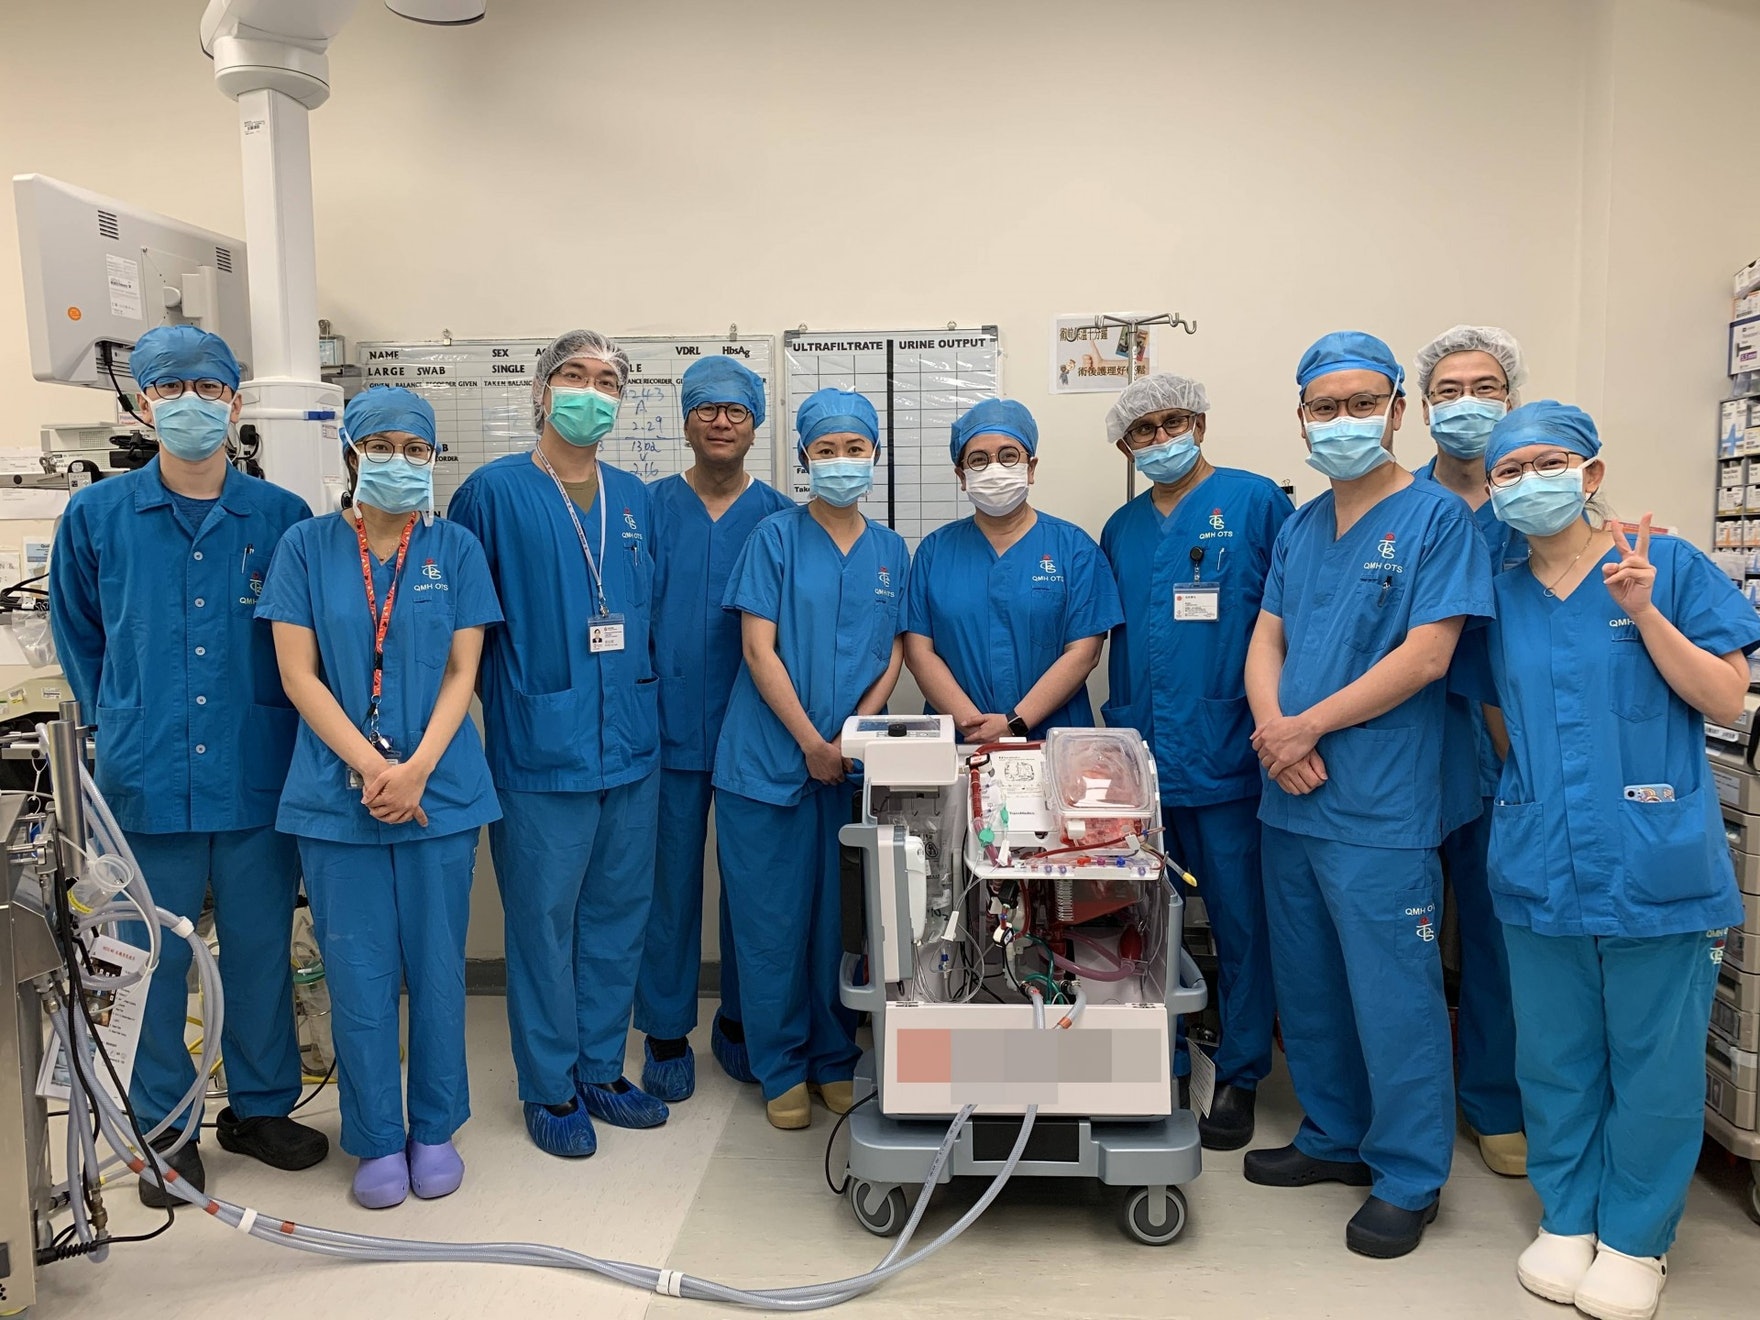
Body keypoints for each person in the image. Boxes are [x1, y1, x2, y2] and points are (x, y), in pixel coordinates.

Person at [1471, 403, 1758, 1320]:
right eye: (1508, 472)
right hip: (1539, 854)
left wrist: (1644, 613)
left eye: (1548, 463)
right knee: (1555, 1054)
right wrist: (1534, 794)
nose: (1528, 483)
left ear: (1591, 474)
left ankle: (1637, 1237)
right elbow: (1499, 710)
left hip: (1654, 857)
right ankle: (1567, 1217)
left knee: (1654, 1063)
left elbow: (1727, 695)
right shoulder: (1499, 592)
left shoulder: (1664, 565)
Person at [49, 325, 326, 1207]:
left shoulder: (281, 517)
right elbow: (78, 634)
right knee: (151, 960)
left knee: (258, 950)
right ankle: (165, 1128)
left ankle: (262, 1108)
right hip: (146, 775)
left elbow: (308, 641)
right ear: (143, 404)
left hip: (255, 769)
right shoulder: (97, 516)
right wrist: (118, 720)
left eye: (209, 389)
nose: (191, 404)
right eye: (170, 389)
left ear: (235, 402)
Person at [1241, 331, 1492, 1259]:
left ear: (1396, 411)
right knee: (1309, 982)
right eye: (1324, 407)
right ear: (1301, 417)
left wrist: (1306, 728)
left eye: (1360, 404)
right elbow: (1266, 639)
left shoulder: (1438, 520)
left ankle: (1409, 1173)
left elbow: (1427, 657)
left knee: (1393, 994)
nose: (1341, 421)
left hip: (1379, 799)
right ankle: (1333, 1134)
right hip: (1291, 790)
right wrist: (1276, 730)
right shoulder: (1302, 524)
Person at [256, 387, 501, 1209]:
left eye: (416, 448)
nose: (401, 461)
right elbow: (298, 675)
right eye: (383, 445)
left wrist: (419, 767)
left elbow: (463, 671)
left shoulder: (455, 548)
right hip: (338, 799)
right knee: (357, 976)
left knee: (437, 970)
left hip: (441, 791)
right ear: (352, 454)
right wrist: (371, 767)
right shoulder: (305, 546)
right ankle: (375, 1137)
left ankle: (435, 1127)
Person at [448, 330, 664, 1159]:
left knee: (618, 915)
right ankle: (549, 1085)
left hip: (631, 743)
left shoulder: (633, 498)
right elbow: (465, 628)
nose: (590, 391)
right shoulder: (492, 494)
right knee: (542, 924)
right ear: (540, 391)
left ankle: (602, 1069)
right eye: (574, 375)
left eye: (607, 380)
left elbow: (643, 610)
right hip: (540, 748)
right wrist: (509, 715)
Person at [1099, 373, 1293, 1151]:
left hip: (1228, 752)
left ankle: (1240, 1070)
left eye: (1172, 422)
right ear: (1125, 447)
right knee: (1141, 922)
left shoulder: (1255, 502)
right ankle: (1160, 1057)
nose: (1159, 440)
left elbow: (1291, 620)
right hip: (1143, 758)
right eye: (1142, 431)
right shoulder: (1120, 528)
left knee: (1242, 921)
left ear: (1201, 424)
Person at [713, 388, 908, 1130]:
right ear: (803, 460)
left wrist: (853, 737)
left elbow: (893, 651)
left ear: (875, 456)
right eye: (826, 450)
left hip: (848, 768)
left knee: (840, 925)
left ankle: (833, 1058)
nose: (841, 461)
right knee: (771, 926)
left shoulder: (891, 551)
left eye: (854, 449)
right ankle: (781, 1064)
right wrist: (811, 743)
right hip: (768, 763)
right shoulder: (774, 537)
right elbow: (757, 650)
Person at [633, 356, 791, 1102]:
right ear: (686, 420)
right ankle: (666, 1030)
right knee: (665, 886)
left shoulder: (783, 520)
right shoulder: (644, 508)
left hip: (756, 730)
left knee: (753, 886)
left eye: (736, 411)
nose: (721, 422)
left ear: (756, 425)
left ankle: (740, 1019)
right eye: (707, 409)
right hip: (661, 727)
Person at [1411, 325, 1531, 1177]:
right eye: (1448, 391)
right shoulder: (1394, 504)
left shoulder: (1538, 500)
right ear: (1420, 407)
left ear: (1511, 398)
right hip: (1413, 742)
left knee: (1498, 932)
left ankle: (1496, 1101)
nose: (1466, 405)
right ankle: (1411, 1102)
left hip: (1514, 744)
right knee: (1404, 934)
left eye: (1484, 388)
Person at [905, 398, 1120, 742]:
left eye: (1008, 456)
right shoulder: (934, 552)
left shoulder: (1074, 549)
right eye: (978, 459)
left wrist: (1014, 723)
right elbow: (919, 652)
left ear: (1031, 468)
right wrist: (973, 725)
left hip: (1052, 738)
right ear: (962, 476)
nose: (995, 468)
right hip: (961, 739)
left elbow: (1084, 652)